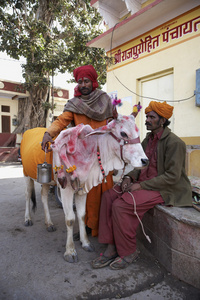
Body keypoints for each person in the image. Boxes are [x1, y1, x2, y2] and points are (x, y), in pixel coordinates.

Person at [92, 100, 192, 270]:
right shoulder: (148, 139)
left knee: (121, 205)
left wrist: (141, 186)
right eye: (146, 116)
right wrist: (129, 178)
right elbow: (139, 164)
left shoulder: (175, 143)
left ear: (162, 120)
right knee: (109, 196)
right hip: (143, 182)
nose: (147, 120)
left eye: (152, 117)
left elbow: (172, 177)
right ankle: (111, 246)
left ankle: (129, 251)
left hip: (164, 189)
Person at [41, 65, 116, 237]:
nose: (83, 84)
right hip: (84, 158)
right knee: (87, 194)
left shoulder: (105, 101)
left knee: (106, 193)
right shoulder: (74, 104)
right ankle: (89, 227)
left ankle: (107, 230)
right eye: (80, 81)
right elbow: (61, 122)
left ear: (93, 82)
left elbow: (114, 125)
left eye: (86, 81)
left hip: (104, 156)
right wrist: (48, 133)